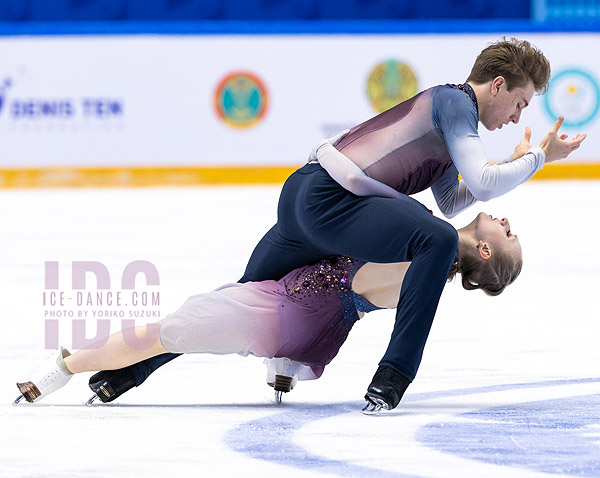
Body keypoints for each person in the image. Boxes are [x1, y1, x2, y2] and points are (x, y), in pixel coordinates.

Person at [83, 37, 586, 411]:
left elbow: (456, 198)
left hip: (305, 196)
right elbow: (481, 180)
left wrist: (522, 162)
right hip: (330, 199)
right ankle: (394, 376)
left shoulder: (452, 119)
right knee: (433, 239)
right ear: (498, 85)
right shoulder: (457, 104)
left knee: (242, 295)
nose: (515, 114)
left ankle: (128, 371)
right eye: (520, 102)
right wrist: (539, 157)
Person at [16, 211, 522, 414]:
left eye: (508, 234)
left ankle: (59, 369)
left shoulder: (426, 252)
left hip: (284, 311)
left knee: (166, 331)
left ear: (483, 252)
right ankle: (282, 373)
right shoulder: (431, 251)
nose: (504, 221)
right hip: (314, 333)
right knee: (186, 328)